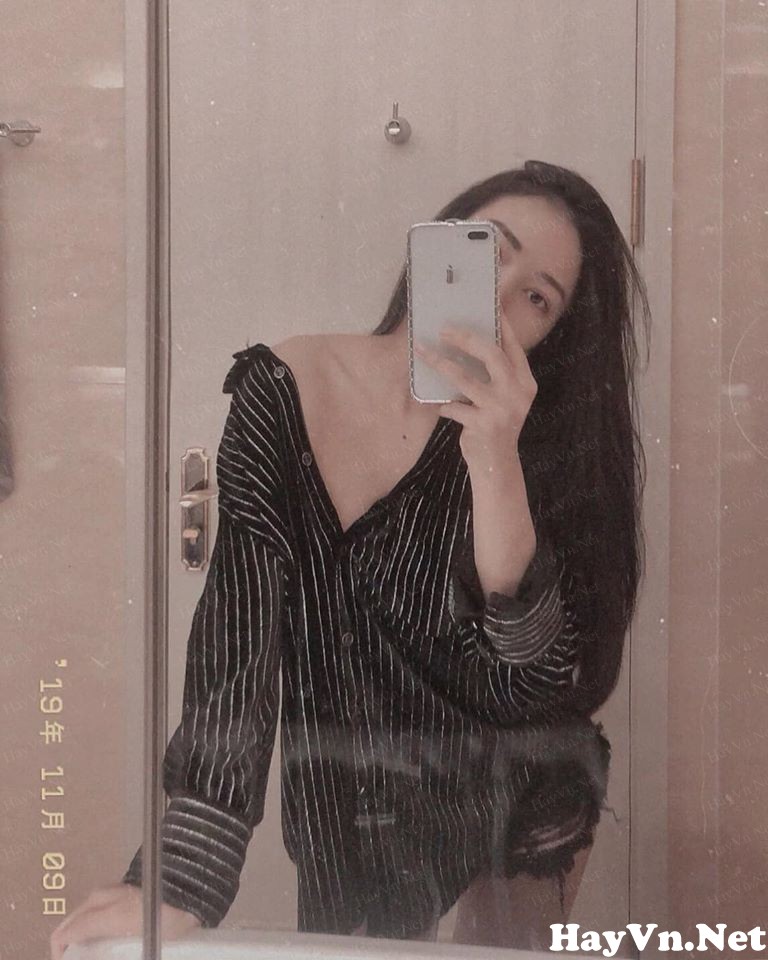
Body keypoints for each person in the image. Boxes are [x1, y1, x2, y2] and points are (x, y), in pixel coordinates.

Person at [50, 161, 649, 957]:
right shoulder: (285, 387)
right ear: (432, 248)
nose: (499, 301)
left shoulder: (527, 442)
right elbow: (238, 636)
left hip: (513, 788)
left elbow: (532, 682)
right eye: (488, 253)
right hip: (350, 794)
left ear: (553, 333)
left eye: (538, 298)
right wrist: (183, 873)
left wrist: (496, 457)